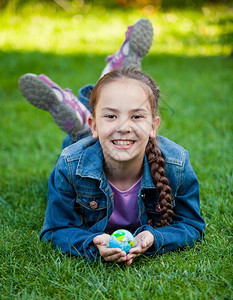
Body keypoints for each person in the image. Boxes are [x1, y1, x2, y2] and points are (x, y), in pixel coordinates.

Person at [18, 19, 205, 265]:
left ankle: (95, 96)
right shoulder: (69, 164)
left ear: (154, 126)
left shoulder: (176, 163)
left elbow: (191, 224)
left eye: (137, 116)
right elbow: (55, 230)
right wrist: (93, 244)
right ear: (95, 124)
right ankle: (87, 105)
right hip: (89, 147)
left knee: (109, 118)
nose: (124, 126)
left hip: (98, 139)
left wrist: (154, 237)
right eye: (111, 116)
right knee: (82, 141)